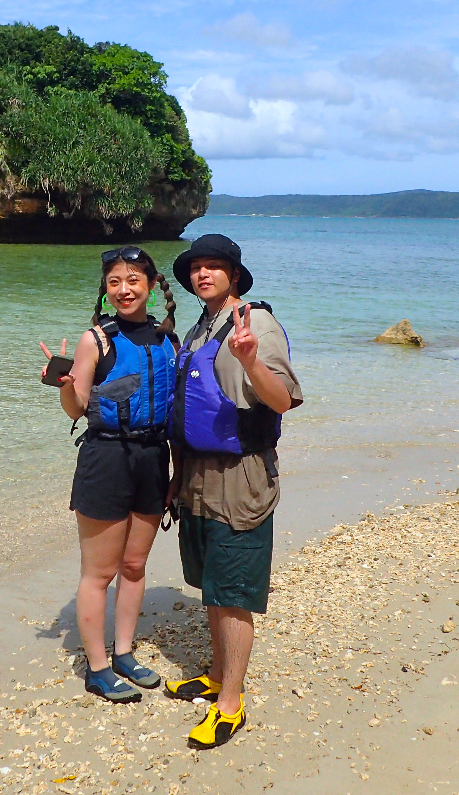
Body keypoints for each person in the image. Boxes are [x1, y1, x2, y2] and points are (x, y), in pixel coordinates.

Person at [163, 233, 302, 749]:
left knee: (235, 588)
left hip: (240, 473)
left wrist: (249, 362)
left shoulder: (254, 323)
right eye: (196, 267)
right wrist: (176, 477)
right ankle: (218, 673)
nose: (203, 274)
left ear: (235, 276)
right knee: (211, 580)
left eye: (214, 267)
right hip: (197, 471)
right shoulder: (202, 326)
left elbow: (282, 399)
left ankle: (231, 703)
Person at [40, 246, 179, 703]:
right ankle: (97, 667)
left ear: (153, 285)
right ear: (105, 289)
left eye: (133, 281)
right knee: (98, 573)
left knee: (135, 566)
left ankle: (124, 653)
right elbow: (76, 409)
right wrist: (64, 387)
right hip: (107, 458)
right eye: (114, 282)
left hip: (153, 457)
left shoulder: (167, 339)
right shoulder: (95, 340)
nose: (124, 290)